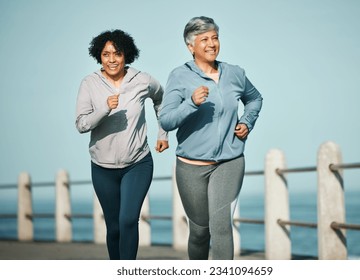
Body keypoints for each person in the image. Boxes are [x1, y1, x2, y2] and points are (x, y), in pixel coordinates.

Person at [160, 16, 263, 260]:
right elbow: (166, 120)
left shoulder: (234, 74)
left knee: (221, 226)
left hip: (229, 162)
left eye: (215, 37)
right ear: (190, 46)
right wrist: (191, 103)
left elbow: (255, 99)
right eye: (204, 39)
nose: (211, 44)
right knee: (199, 232)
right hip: (191, 167)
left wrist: (247, 122)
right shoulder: (179, 76)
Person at [75, 29, 169, 260]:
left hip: (137, 163)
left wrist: (163, 133)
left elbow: (161, 100)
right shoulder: (89, 83)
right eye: (106, 54)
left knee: (128, 220)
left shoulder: (142, 80)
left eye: (117, 54)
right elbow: (81, 124)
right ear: (99, 56)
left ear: (126, 55)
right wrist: (104, 108)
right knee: (114, 226)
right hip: (102, 167)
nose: (112, 60)